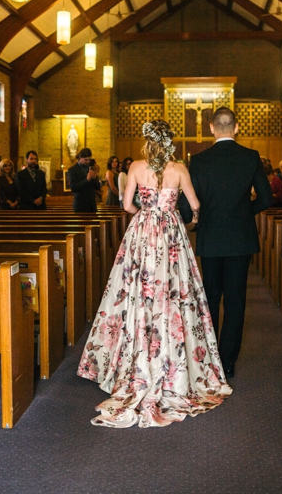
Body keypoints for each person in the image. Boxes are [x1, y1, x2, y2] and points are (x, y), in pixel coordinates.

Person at [77, 119, 231, 428]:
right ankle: (175, 360)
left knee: (136, 287)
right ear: (170, 142)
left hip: (143, 233)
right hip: (171, 235)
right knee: (176, 291)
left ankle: (134, 354)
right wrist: (182, 220)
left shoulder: (135, 166)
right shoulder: (179, 169)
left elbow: (125, 205)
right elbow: (196, 204)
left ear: (148, 141)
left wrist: (146, 214)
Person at [189, 107, 272, 379]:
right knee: (235, 299)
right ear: (236, 128)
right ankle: (227, 362)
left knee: (211, 295)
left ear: (212, 128)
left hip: (211, 236)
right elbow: (266, 198)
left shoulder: (200, 160)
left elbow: (191, 202)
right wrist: (242, 212)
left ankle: (209, 359)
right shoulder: (250, 157)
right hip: (240, 237)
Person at [67, 148, 101, 212]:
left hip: (92, 204)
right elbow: (74, 188)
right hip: (80, 204)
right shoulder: (72, 170)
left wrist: (95, 179)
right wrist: (87, 180)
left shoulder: (91, 168)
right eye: (85, 160)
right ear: (80, 157)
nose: (88, 162)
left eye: (89, 159)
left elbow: (97, 187)